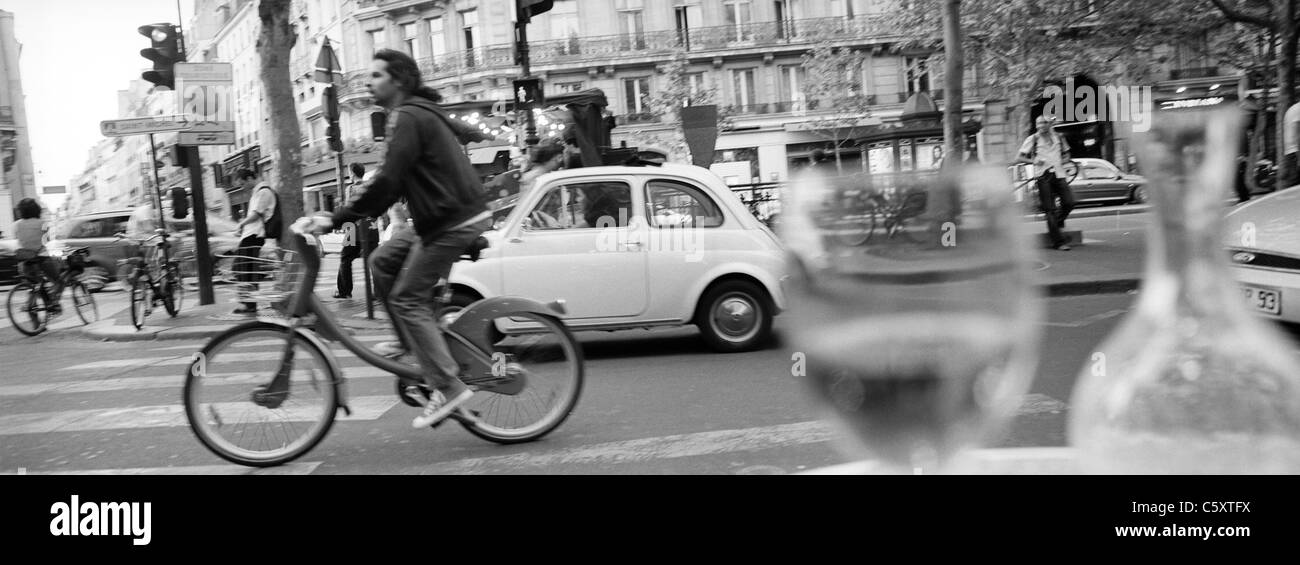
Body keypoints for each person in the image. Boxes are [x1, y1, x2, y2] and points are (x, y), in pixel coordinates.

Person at [305, 48, 493, 429]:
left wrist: (336, 217)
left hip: (450, 221)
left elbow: (388, 180)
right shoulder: (410, 114)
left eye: (376, 76)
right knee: (381, 261)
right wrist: (350, 211)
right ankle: (411, 342)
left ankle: (448, 386)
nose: (368, 82)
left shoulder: (409, 115)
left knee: (408, 299)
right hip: (440, 218)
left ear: (399, 80)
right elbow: (392, 181)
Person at [1017, 116, 1076, 250]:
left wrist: (1064, 160)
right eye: (1039, 123)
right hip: (1043, 176)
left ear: (1050, 124)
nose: (1041, 125)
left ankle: (1058, 222)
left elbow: (1067, 155)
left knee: (1069, 202)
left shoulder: (1059, 137)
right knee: (1050, 210)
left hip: (1059, 174)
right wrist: (1034, 161)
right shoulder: (1033, 139)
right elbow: (1019, 157)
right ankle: (1058, 242)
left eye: (1044, 123)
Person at [231, 168, 278, 314]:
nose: (242, 187)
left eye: (243, 183)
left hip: (255, 235)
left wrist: (241, 224)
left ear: (250, 178)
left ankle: (249, 303)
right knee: (246, 268)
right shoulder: (258, 192)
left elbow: (257, 215)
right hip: (251, 235)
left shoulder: (263, 192)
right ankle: (250, 303)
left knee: (242, 268)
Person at [334, 163, 379, 299]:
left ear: (352, 173)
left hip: (352, 228)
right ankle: (378, 292)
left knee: (345, 258)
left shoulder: (351, 189)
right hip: (371, 227)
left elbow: (350, 210)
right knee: (374, 260)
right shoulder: (372, 187)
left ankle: (345, 291)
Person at [13, 198, 64, 314]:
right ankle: (54, 302)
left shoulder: (16, 225)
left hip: (24, 260)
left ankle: (36, 325)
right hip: (41, 257)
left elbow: (19, 240)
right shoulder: (42, 223)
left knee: (33, 288)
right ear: (37, 209)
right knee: (59, 281)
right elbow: (46, 241)